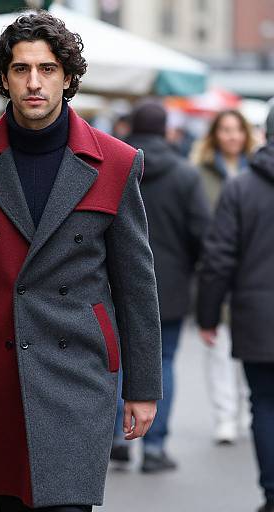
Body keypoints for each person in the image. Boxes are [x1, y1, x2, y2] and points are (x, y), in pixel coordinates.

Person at [0, 11, 162, 512]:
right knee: (10, 504)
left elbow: (136, 283)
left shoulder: (115, 162)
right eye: (21, 69)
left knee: (68, 505)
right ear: (3, 77)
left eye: (47, 69)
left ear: (68, 77)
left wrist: (143, 386)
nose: (34, 83)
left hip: (80, 368)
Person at [111, 101, 210, 472]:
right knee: (163, 360)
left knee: (117, 359)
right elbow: (203, 233)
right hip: (168, 284)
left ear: (131, 126)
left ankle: (119, 438)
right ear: (167, 130)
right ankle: (153, 447)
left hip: (114, 282)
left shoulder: (115, 167)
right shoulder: (185, 175)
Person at [197, 105, 274, 512]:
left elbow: (218, 259)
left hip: (257, 317)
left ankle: (273, 493)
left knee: (263, 403)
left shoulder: (241, 188)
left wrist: (208, 315)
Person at [192, 110, 256, 444]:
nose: (232, 136)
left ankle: (248, 409)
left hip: (252, 276)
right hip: (215, 271)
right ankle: (225, 415)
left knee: (253, 349)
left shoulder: (257, 172)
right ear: (215, 135)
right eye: (225, 130)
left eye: (237, 129)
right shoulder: (199, 175)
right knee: (218, 348)